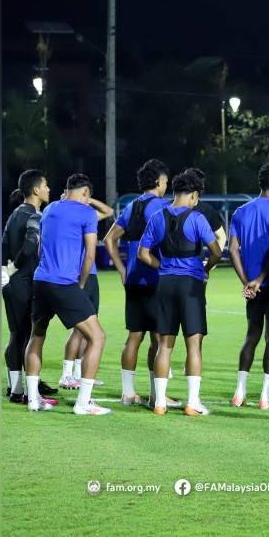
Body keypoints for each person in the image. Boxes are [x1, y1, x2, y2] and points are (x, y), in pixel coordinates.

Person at [138, 169, 223, 416]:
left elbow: (143, 254)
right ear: (194, 195)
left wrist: (162, 266)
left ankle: (160, 403)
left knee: (164, 344)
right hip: (191, 285)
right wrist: (205, 267)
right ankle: (192, 403)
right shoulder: (197, 219)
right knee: (193, 345)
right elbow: (216, 251)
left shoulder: (157, 216)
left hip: (165, 285)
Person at [26, 173, 111, 415]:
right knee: (97, 337)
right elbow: (91, 255)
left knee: (37, 336)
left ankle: (34, 399)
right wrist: (81, 285)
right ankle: (83, 403)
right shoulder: (85, 213)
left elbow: (41, 246)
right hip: (65, 283)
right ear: (86, 194)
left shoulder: (51, 208)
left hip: (41, 280)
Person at [103, 158, 181, 407]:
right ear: (159, 181)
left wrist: (122, 269)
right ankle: (156, 395)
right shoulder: (162, 207)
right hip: (156, 278)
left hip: (134, 278)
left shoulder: (132, 206)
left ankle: (128, 393)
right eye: (166, 181)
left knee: (134, 336)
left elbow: (109, 239)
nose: (167, 185)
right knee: (159, 338)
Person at [227, 163, 269, 410]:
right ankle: (265, 397)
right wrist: (262, 279)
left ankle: (239, 393)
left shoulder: (241, 211)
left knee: (251, 336)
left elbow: (232, 249)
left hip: (253, 288)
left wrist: (247, 283)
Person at [1, 170, 57, 404]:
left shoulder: (15, 213)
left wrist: (6, 270)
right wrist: (16, 267)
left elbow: (3, 246)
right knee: (27, 336)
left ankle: (16, 389)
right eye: (45, 185)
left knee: (17, 335)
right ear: (35, 190)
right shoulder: (34, 215)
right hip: (23, 281)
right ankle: (22, 390)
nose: (48, 189)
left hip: (11, 282)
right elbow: (30, 245)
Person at [57, 190, 114, 390]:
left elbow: (108, 211)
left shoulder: (85, 215)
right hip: (77, 274)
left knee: (88, 330)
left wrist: (88, 199)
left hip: (92, 275)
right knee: (78, 329)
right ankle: (66, 375)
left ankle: (81, 375)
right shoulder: (60, 217)